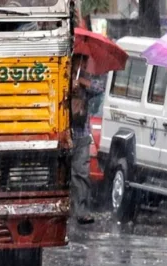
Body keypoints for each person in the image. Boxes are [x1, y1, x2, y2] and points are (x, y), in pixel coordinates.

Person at [70, 54, 101, 225]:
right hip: (65, 134)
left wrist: (81, 82)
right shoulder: (61, 76)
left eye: (85, 61)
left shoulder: (85, 80)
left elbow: (99, 88)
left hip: (81, 134)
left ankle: (81, 211)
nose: (82, 64)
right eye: (80, 60)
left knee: (81, 174)